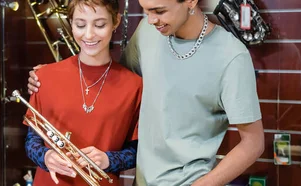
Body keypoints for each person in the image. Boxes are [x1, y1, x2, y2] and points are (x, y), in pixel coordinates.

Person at [27, 0, 265, 185]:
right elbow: (112, 82)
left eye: (159, 11)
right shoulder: (148, 31)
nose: (151, 19)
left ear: (191, 1)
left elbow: (253, 144)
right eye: (145, 10)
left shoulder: (231, 57)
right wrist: (47, 78)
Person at [22, 0, 142, 185]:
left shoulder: (135, 86)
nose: (89, 34)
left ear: (116, 21)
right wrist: (46, 157)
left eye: (100, 24)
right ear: (70, 23)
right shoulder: (44, 77)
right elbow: (32, 141)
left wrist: (108, 160)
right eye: (80, 24)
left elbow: (138, 152)